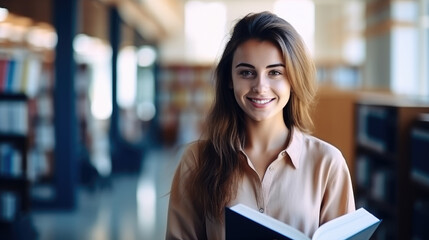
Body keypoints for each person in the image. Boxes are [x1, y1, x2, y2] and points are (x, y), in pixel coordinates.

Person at [166, 11, 355, 240]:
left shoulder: (328, 164)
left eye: (275, 72)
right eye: (247, 72)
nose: (260, 86)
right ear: (229, 79)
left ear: (293, 79)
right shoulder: (196, 160)